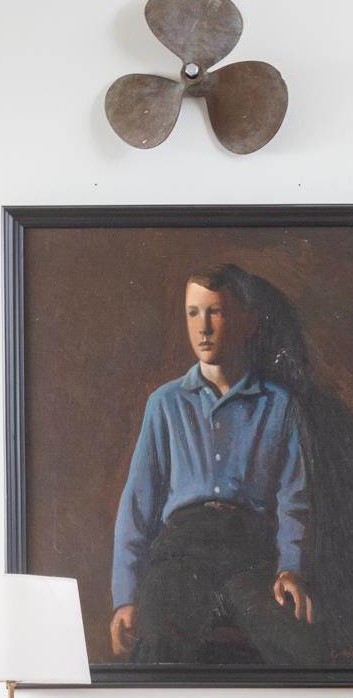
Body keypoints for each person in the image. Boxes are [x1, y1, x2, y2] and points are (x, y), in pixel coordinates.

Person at [109, 264, 317, 664]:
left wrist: (290, 568)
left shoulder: (279, 405)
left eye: (215, 312)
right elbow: (136, 505)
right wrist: (123, 597)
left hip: (250, 553)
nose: (202, 327)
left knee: (294, 644)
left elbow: (295, 500)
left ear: (248, 322)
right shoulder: (165, 404)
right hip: (180, 551)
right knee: (158, 642)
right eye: (193, 313)